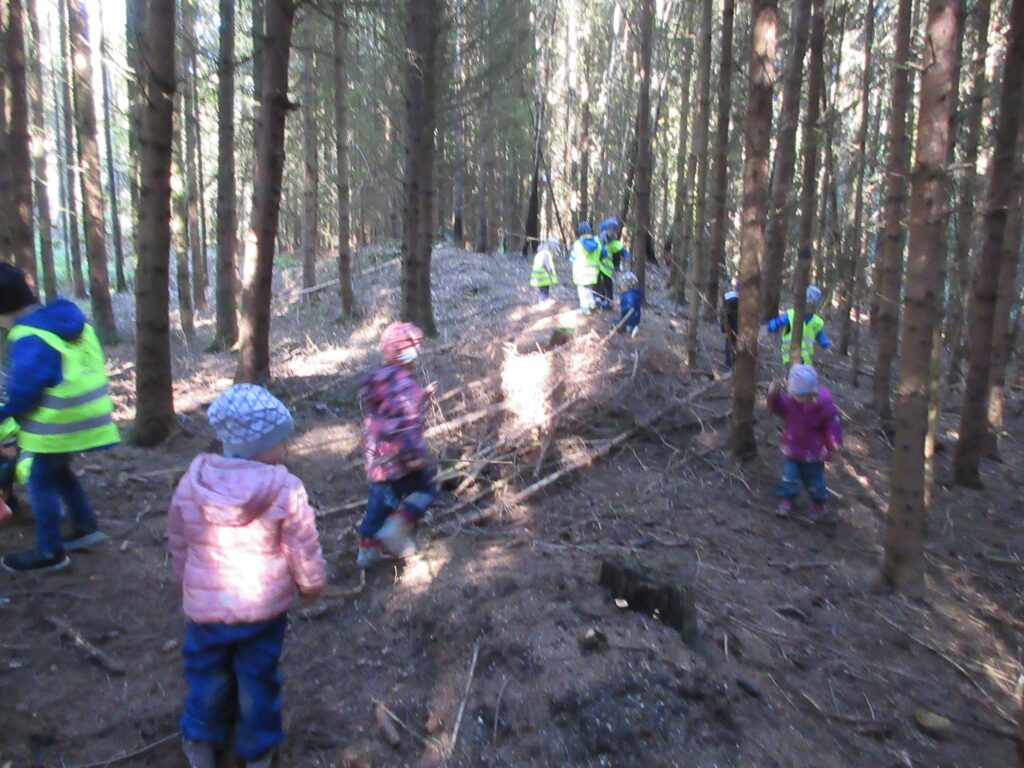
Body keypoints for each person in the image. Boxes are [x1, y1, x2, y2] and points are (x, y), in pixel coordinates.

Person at [168, 384, 326, 768]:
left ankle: (201, 740)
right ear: (258, 445)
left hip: (207, 611)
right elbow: (301, 545)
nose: (285, 449)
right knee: (258, 679)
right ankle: (259, 749)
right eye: (279, 441)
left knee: (207, 674)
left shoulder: (194, 482)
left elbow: (180, 538)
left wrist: (186, 581)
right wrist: (310, 584)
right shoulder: (285, 489)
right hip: (262, 611)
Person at [0, 264, 119, 574]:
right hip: (89, 420)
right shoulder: (70, 322)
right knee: (59, 472)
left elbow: (25, 390)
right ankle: (85, 525)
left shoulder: (28, 336)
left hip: (56, 425)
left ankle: (50, 551)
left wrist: (4, 412)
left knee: (40, 483)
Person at [357, 322, 438, 568]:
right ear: (405, 353)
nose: (418, 353)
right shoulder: (407, 387)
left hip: (377, 460)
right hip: (401, 458)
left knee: (379, 504)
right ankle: (396, 529)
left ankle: (367, 551)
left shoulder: (383, 380)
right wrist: (414, 454)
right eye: (414, 348)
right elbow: (406, 422)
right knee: (425, 491)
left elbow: (392, 409)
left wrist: (422, 396)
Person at [767, 364, 842, 520]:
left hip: (814, 453)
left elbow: (832, 425)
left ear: (811, 392)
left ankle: (820, 503)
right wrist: (773, 396)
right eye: (794, 395)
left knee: (815, 481)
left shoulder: (824, 406)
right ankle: (786, 500)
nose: (796, 398)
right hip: (793, 447)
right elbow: (778, 407)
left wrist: (833, 442)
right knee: (789, 476)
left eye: (799, 395)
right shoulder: (792, 401)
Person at [765, 285, 830, 364]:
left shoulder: (816, 321)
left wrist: (826, 345)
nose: (809, 307)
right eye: (807, 304)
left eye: (812, 305)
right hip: (790, 359)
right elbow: (778, 322)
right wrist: (768, 327)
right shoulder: (791, 315)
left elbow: (819, 334)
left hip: (806, 361)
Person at [569, 222, 603, 315]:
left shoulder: (577, 244)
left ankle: (584, 308)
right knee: (588, 288)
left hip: (581, 272)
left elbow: (572, 257)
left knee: (581, 289)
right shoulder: (597, 242)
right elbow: (604, 254)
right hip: (594, 272)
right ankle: (592, 304)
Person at [529, 237, 560, 303]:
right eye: (554, 249)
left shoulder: (541, 253)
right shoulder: (546, 254)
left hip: (539, 278)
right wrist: (550, 272)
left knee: (543, 290)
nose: (554, 251)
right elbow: (546, 264)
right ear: (551, 247)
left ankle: (544, 300)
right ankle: (542, 302)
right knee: (544, 292)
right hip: (544, 278)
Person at [618, 271, 643, 338]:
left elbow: (629, 307)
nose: (621, 286)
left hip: (630, 317)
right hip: (636, 317)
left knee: (616, 324)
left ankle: (631, 329)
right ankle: (631, 327)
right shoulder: (635, 294)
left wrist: (622, 309)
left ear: (627, 285)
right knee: (618, 322)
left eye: (623, 284)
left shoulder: (629, 295)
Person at [721, 286, 739, 369]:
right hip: (735, 324)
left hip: (730, 323)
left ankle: (728, 362)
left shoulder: (726, 297)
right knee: (733, 341)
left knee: (729, 341)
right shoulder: (736, 300)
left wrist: (723, 328)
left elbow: (723, 315)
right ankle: (730, 362)